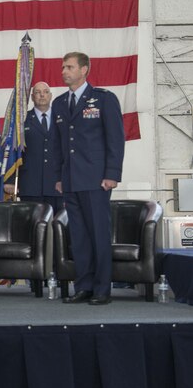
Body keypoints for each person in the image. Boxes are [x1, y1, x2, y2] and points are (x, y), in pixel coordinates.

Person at [53, 52, 125, 305]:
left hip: (96, 180)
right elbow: (57, 145)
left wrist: (112, 174)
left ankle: (102, 289)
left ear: (84, 70)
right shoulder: (60, 103)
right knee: (80, 237)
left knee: (98, 235)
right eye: (63, 67)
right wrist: (58, 177)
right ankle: (83, 286)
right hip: (71, 180)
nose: (64, 71)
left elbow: (115, 138)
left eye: (69, 67)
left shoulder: (104, 99)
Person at [8, 81, 63, 213]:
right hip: (30, 184)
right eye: (38, 92)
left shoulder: (62, 119)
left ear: (50, 96)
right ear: (32, 97)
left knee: (59, 228)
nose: (42, 95)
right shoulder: (22, 120)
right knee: (31, 228)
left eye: (45, 92)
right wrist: (9, 180)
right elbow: (12, 151)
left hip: (57, 184)